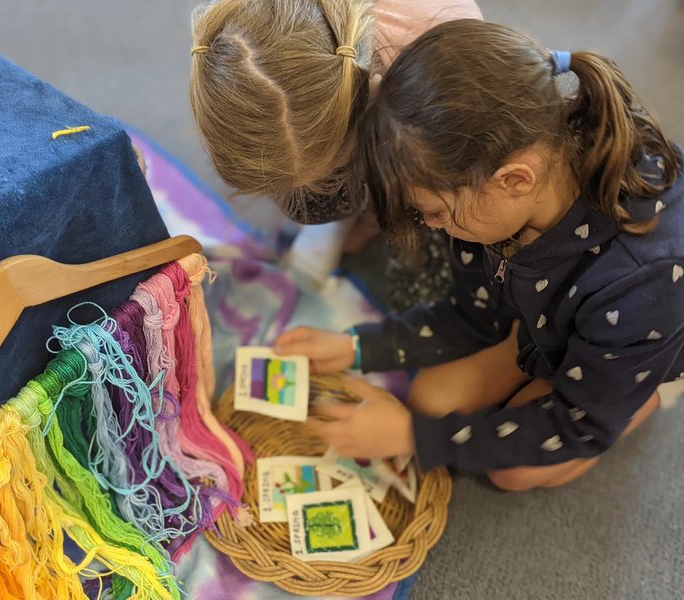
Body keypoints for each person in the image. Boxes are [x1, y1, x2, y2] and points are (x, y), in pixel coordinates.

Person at [275, 19, 684, 491]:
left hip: (627, 347)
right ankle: (538, 339)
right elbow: (469, 315)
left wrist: (412, 435)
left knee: (510, 472)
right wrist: (357, 346)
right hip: (557, 307)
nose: (432, 226)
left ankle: (642, 397)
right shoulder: (488, 204)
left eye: (435, 212)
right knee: (431, 398)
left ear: (514, 180)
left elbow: (573, 426)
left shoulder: (637, 286)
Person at [189, 0, 482, 297]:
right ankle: (339, 215)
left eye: (331, 167)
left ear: (370, 99)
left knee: (424, 216)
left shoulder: (443, 69)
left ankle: (365, 214)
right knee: (306, 194)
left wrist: (374, 222)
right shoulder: (245, 26)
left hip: (430, 107)